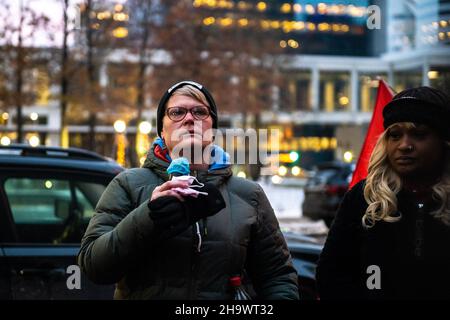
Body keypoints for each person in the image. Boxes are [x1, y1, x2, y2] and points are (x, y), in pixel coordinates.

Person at [78, 80, 299, 300]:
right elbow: (94, 267)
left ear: (212, 129)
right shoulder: (128, 184)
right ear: (162, 131)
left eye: (200, 112)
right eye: (177, 112)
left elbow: (277, 277)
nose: (189, 119)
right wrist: (149, 216)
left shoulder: (249, 195)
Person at [316, 86, 450, 300]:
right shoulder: (363, 198)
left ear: (444, 142)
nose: (404, 145)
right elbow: (332, 276)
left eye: (419, 134)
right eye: (395, 135)